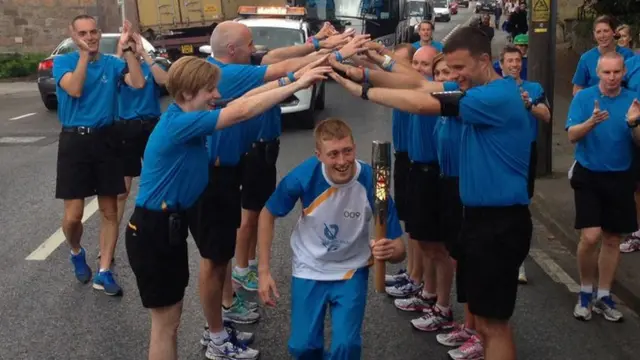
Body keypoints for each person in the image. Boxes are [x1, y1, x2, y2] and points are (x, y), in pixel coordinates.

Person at [330, 26, 533, 360]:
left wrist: (363, 92)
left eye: (459, 69)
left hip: (499, 225)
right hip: (479, 221)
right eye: (450, 70)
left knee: (494, 327)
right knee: (483, 323)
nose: (454, 76)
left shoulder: (495, 97)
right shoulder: (478, 88)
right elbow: (419, 83)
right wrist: (362, 72)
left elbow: (423, 101)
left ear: (485, 61)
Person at [124, 55, 327, 360]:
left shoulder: (186, 114)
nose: (216, 95)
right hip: (154, 230)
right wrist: (299, 83)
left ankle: (216, 335)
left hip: (165, 227)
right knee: (165, 324)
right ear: (187, 94)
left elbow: (240, 100)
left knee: (171, 321)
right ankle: (216, 340)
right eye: (210, 89)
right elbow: (240, 112)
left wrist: (290, 79)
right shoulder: (179, 124)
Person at [199, 20, 364, 356]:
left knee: (220, 254)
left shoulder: (228, 69)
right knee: (214, 259)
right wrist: (335, 55)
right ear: (232, 49)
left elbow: (283, 61)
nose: (254, 47)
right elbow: (284, 65)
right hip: (215, 179)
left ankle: (224, 312)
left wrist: (318, 47)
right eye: (248, 43)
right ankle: (215, 333)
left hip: (227, 172)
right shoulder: (227, 75)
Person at [257, 118, 406, 360]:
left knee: (346, 347)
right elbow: (268, 213)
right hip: (309, 267)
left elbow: (399, 249)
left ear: (355, 148)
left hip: (351, 270)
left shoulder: (374, 183)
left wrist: (391, 250)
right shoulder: (303, 177)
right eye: (333, 154)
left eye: (347, 151)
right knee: (303, 347)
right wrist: (263, 271)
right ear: (319, 155)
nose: (342, 161)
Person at [53, 15, 145, 295]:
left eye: (93, 32)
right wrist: (83, 55)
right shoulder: (63, 62)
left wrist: (128, 49)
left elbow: (138, 83)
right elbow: (75, 88)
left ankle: (104, 271)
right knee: (73, 216)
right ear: (73, 34)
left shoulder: (111, 64)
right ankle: (76, 250)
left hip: (107, 140)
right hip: (74, 141)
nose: (90, 37)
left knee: (109, 210)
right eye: (83, 32)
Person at [566, 52, 639, 323]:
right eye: (606, 72)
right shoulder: (584, 98)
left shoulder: (633, 100)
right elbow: (572, 135)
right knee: (590, 237)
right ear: (598, 73)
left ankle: (604, 295)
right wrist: (591, 122)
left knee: (612, 239)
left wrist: (634, 123)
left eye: (616, 72)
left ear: (623, 73)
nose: (611, 78)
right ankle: (585, 290)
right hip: (589, 175)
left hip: (620, 176)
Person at [499, 45, 551, 284]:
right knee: (498, 204)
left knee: (521, 205)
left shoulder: (534, 88)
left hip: (524, 152)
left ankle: (518, 261)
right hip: (498, 151)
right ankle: (498, 253)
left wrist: (529, 105)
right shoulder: (492, 89)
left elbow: (546, 115)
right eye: (509, 60)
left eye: (517, 60)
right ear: (501, 64)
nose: (514, 64)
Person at [115, 33, 168, 246]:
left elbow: (165, 81)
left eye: (133, 46)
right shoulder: (118, 70)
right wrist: (123, 51)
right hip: (127, 130)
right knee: (122, 191)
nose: (131, 49)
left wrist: (144, 53)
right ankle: (111, 239)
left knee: (157, 182)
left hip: (151, 127)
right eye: (127, 46)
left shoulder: (149, 68)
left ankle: (160, 231)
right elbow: (129, 80)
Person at [572, 15, 634, 95]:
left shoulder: (627, 55)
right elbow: (577, 89)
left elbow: (634, 86)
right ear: (594, 34)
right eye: (598, 32)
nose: (602, 35)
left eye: (606, 31)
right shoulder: (586, 58)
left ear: (614, 32)